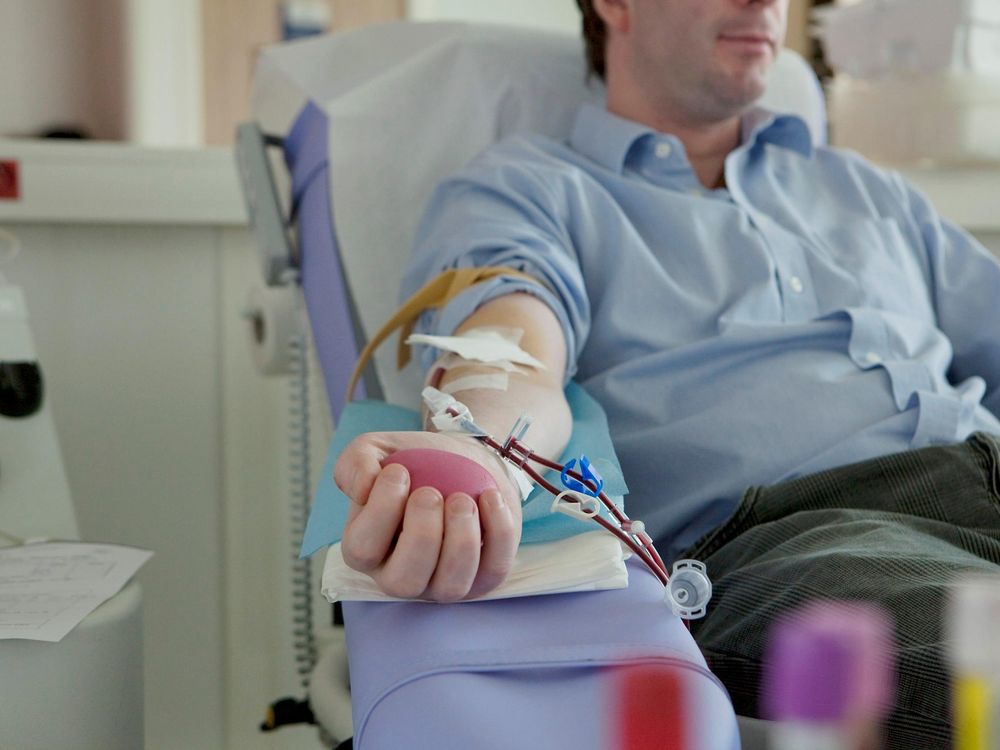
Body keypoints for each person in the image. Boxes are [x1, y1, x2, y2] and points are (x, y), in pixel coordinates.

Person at [334, 0, 1000, 745]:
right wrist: (479, 453)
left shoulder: (868, 191)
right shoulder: (531, 188)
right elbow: (510, 344)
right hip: (811, 537)